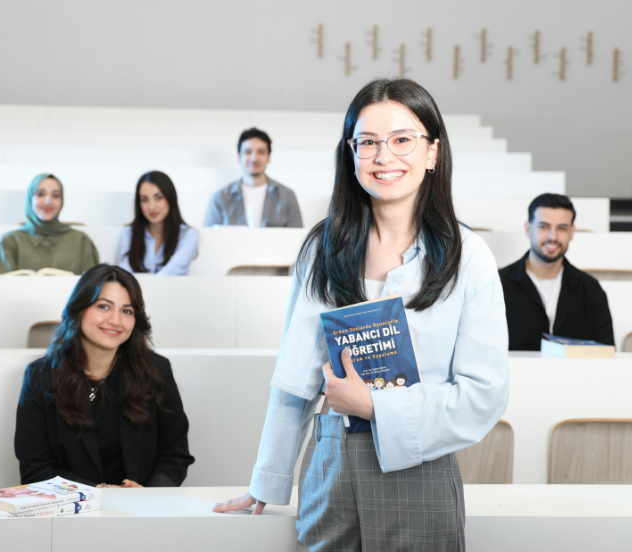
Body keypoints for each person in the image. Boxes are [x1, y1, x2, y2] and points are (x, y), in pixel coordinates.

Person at [214, 78, 509, 551]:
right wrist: (267, 480)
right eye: (367, 142)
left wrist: (376, 406)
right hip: (330, 462)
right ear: (350, 154)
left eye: (401, 140)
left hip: (422, 467)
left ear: (432, 152)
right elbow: (294, 380)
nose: (383, 157)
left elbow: (484, 395)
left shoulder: (468, 256)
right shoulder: (322, 247)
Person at [14, 264, 194, 487]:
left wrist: (149, 493)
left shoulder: (156, 370)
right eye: (103, 307)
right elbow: (35, 469)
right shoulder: (41, 376)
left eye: (126, 311)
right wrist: (92, 493)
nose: (115, 321)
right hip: (71, 512)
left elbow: (175, 456)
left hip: (141, 512)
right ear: (79, 309)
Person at [499, 193, 614, 351]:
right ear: (528, 229)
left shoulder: (591, 290)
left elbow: (606, 354)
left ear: (572, 233)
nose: (553, 236)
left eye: (562, 228)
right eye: (543, 226)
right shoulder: (498, 285)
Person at [0, 173, 100, 275]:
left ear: (61, 200)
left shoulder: (81, 242)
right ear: (30, 198)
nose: (48, 201)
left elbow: (91, 289)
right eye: (40, 194)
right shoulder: (10, 242)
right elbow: (3, 289)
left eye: (55, 195)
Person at [205, 127, 303, 228]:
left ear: (269, 157)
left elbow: (297, 238)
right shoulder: (220, 197)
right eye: (247, 152)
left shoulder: (287, 196)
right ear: (239, 157)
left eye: (261, 152)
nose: (254, 158)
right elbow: (211, 238)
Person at [117, 171, 198, 276]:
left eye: (158, 197)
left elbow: (170, 274)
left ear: (170, 198)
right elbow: (125, 277)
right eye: (144, 200)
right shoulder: (129, 233)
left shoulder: (188, 235)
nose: (152, 207)